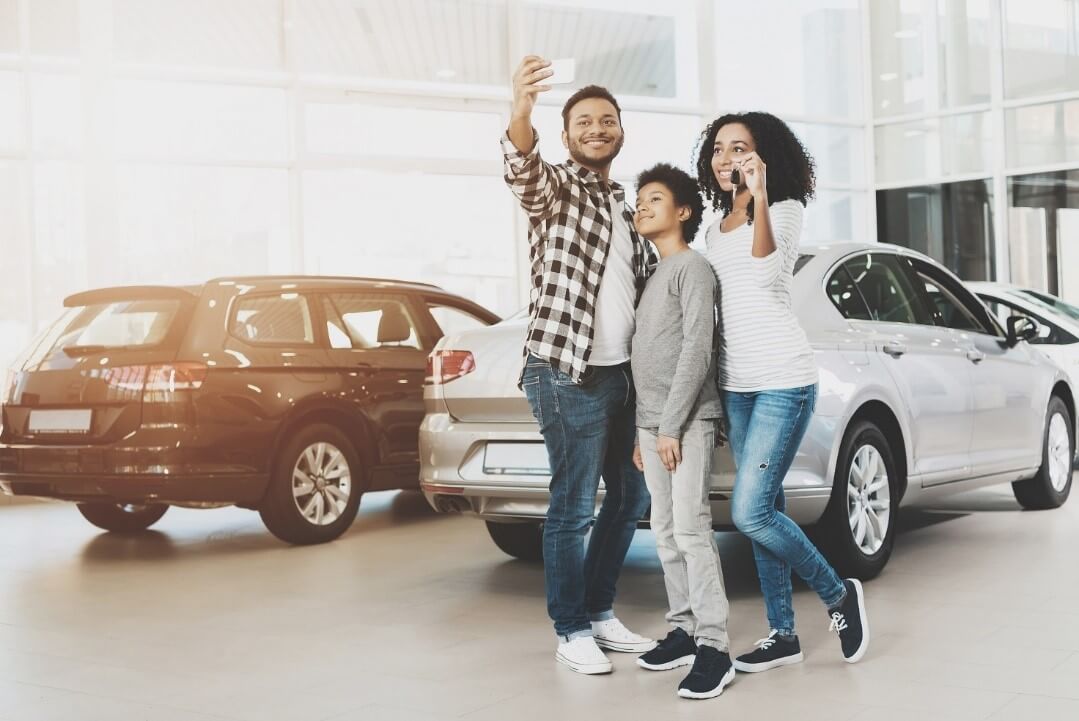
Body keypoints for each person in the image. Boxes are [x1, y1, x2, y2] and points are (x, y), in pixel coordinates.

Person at [696, 111, 870, 672]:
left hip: (783, 379)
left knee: (749, 511)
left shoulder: (786, 209)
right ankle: (782, 634)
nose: (727, 158)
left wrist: (762, 198)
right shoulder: (711, 228)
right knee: (765, 507)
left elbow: (770, 276)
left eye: (739, 147)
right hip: (738, 384)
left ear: (763, 156)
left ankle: (838, 594)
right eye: (719, 148)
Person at [502, 55, 658, 675]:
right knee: (573, 505)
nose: (598, 128)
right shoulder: (560, 189)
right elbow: (524, 171)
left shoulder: (627, 206)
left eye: (608, 120)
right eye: (585, 121)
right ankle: (570, 629)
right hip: (567, 372)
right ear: (566, 135)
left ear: (622, 131)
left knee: (630, 497)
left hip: (621, 375)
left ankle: (598, 614)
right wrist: (520, 110)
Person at [628, 163, 734, 699]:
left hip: (687, 423)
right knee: (666, 532)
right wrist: (644, 431)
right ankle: (684, 630)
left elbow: (698, 348)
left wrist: (669, 426)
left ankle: (715, 647)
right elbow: (647, 356)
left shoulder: (693, 268)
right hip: (656, 426)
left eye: (654, 199)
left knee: (692, 531)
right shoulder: (652, 275)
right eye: (639, 200)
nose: (642, 207)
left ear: (683, 211)